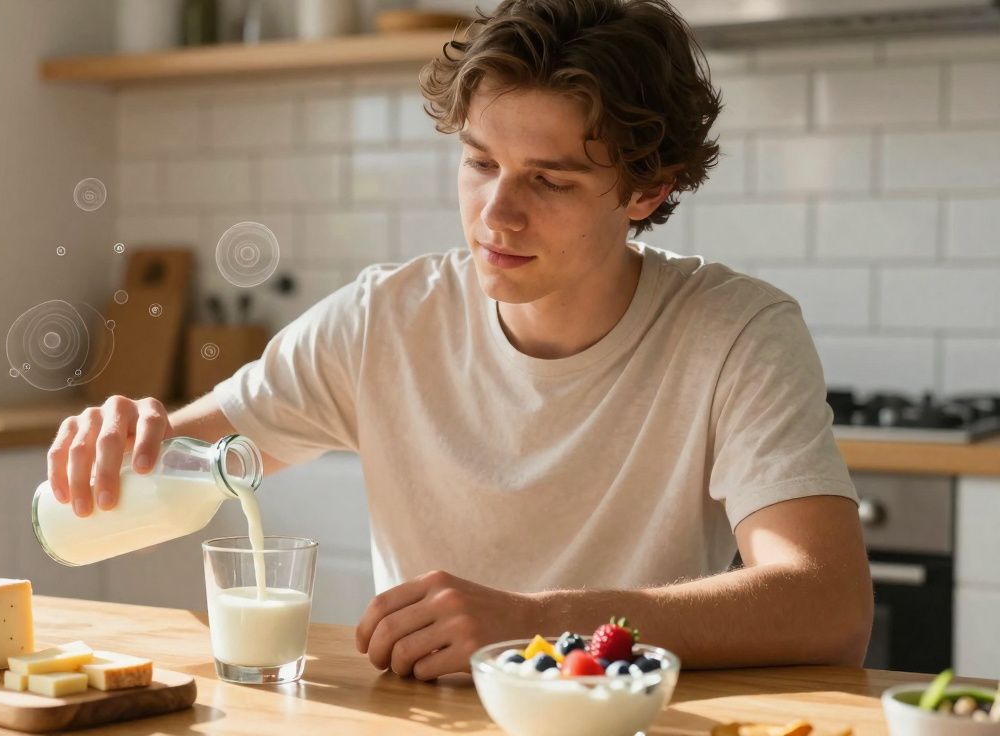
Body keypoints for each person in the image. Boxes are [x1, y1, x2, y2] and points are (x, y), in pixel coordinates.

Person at [45, 0, 873, 680]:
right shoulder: (383, 320)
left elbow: (828, 604)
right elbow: (196, 455)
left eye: (549, 180)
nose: (496, 215)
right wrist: (124, 439)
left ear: (646, 190)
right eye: (480, 164)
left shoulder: (734, 331)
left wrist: (539, 623)